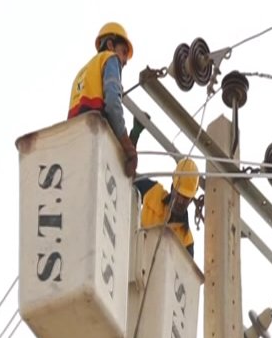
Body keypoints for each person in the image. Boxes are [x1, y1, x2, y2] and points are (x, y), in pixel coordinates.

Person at [68, 22, 138, 177]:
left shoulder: (81, 73)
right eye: (124, 52)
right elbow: (113, 103)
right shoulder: (110, 58)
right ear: (111, 45)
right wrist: (127, 146)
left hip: (74, 140)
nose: (125, 60)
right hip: (95, 134)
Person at [134, 158, 199, 257]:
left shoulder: (187, 242)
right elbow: (128, 175)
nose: (180, 201)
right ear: (172, 186)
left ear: (191, 199)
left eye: (186, 197)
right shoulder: (153, 192)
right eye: (179, 194)